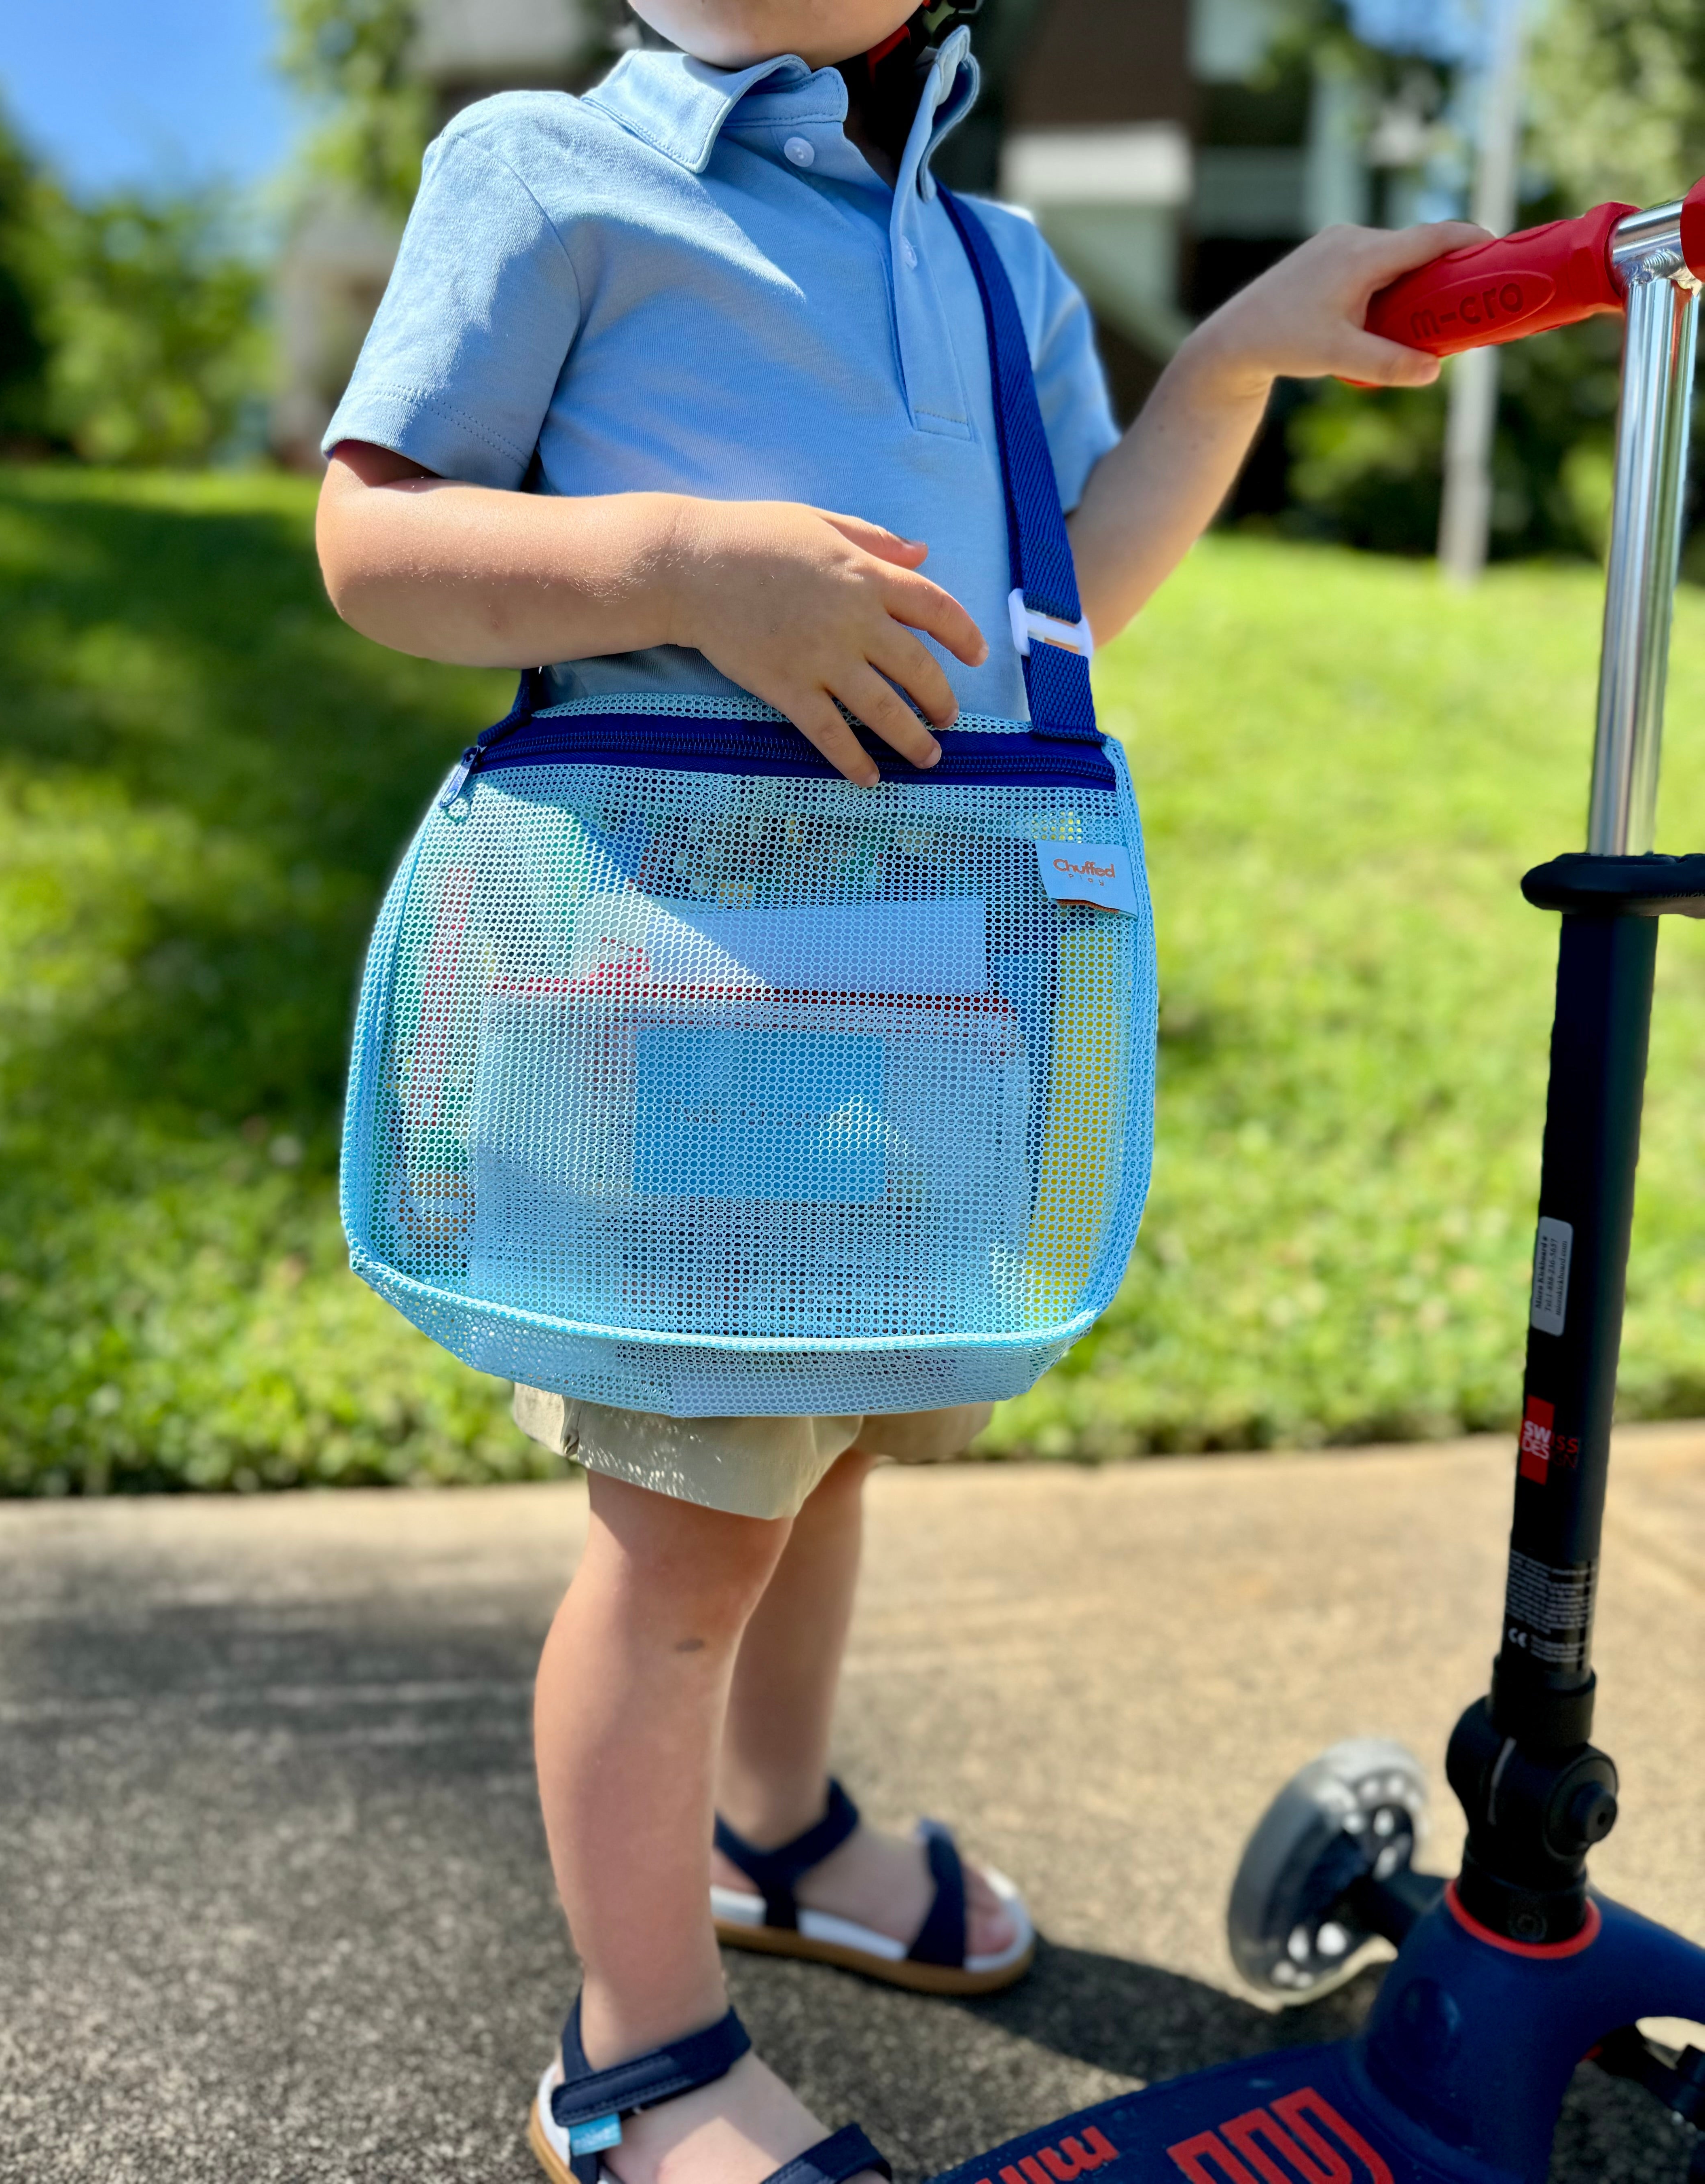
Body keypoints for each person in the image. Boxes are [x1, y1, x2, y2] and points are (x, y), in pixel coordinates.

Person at [314, 4, 1478, 2182]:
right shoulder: (548, 168)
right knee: (679, 1541)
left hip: (914, 996)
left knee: (824, 1448)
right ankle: (635, 2059)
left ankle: (776, 1830)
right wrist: (674, 568)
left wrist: (1222, 361)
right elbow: (374, 544)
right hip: (664, 986)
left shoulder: (996, 265)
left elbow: (1060, 616)